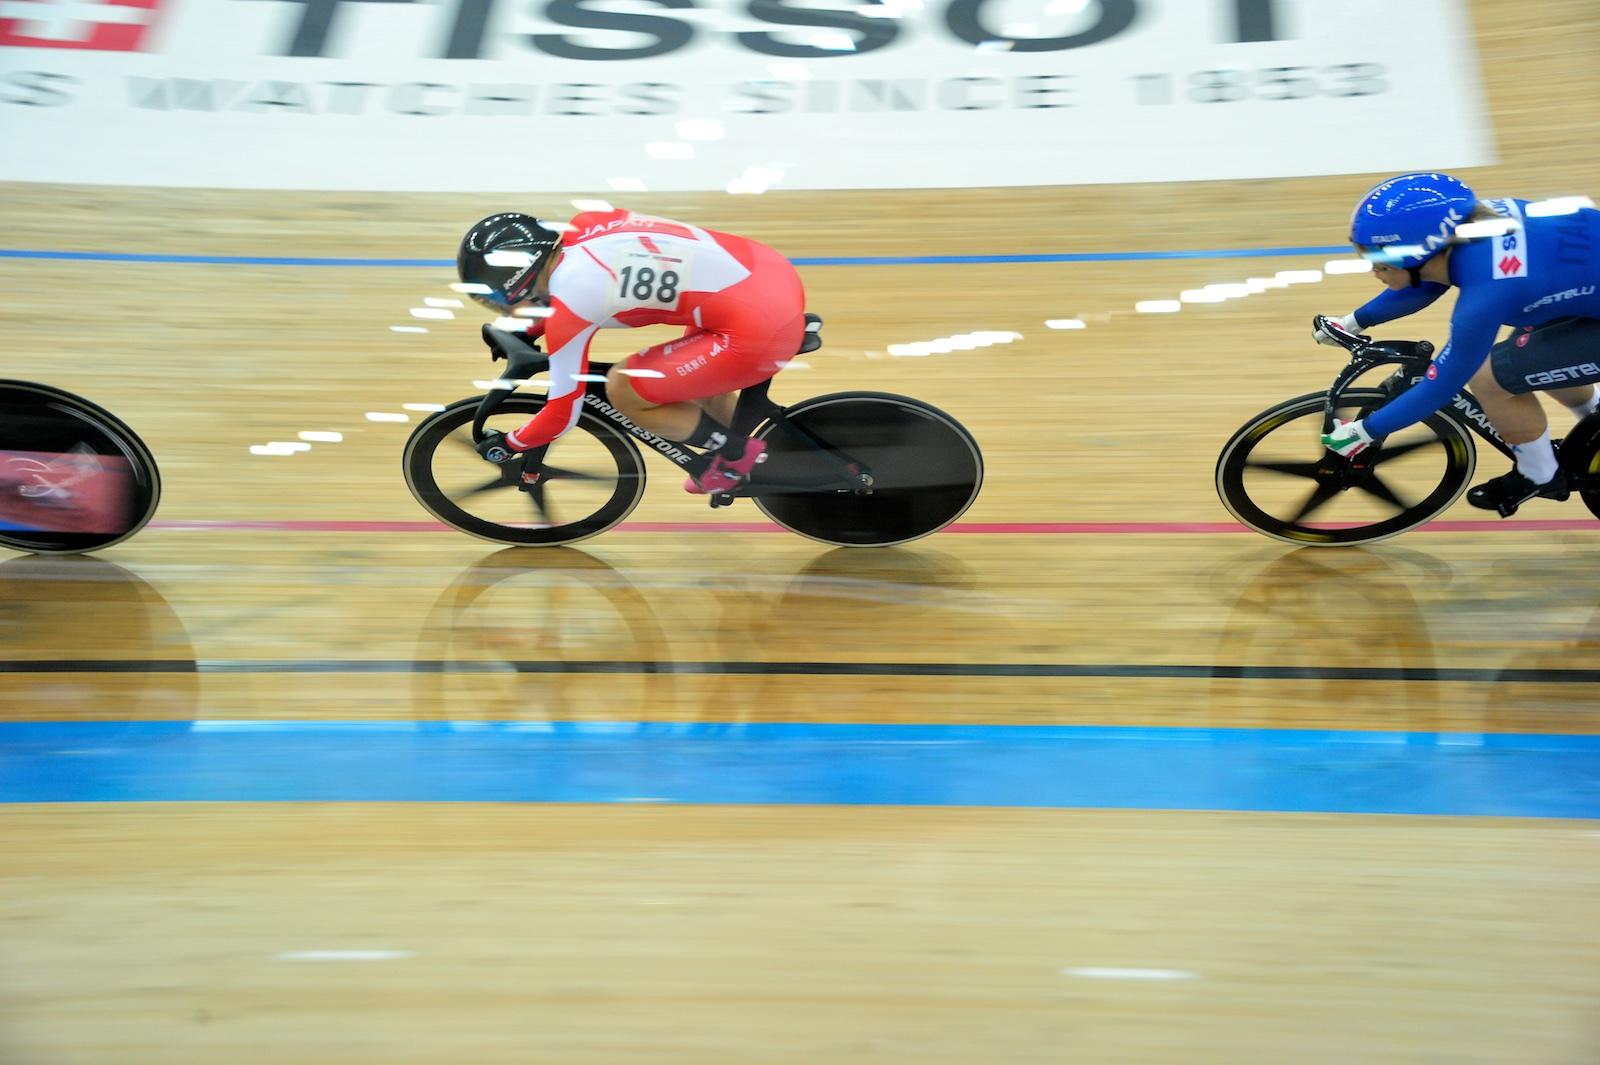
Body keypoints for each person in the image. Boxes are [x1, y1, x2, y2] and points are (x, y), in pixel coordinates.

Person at [455, 208, 809, 494]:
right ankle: (768, 451)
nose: (501, 309)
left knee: (623, 387)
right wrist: (533, 326)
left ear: (514, 281)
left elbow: (561, 415)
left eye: (494, 300)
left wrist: (511, 443)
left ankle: (737, 453)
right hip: (764, 274)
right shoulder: (585, 224)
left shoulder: (570, 303)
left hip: (759, 323)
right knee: (697, 389)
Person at [1315, 172, 1600, 514]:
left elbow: (1441, 386)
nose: (1374, 269)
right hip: (1583, 294)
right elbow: (1427, 280)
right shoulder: (1473, 225)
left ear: (1417, 253)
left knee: (1491, 378)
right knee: (1533, 348)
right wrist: (1352, 322)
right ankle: (1593, 422)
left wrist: (1365, 431)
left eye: (1379, 259)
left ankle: (1538, 474)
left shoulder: (1485, 296)